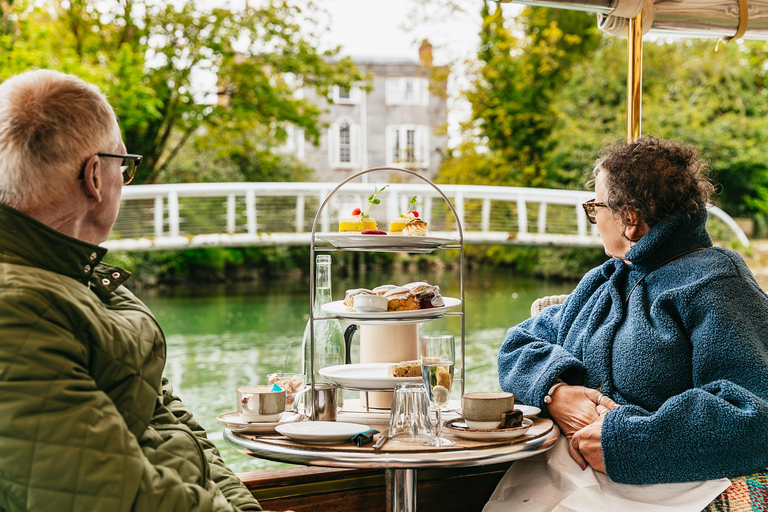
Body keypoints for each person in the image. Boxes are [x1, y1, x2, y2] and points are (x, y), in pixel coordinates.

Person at [0, 70, 289, 511]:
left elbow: (178, 428)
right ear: (95, 176)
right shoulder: (18, 313)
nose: (124, 181)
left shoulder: (85, 278)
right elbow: (120, 497)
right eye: (126, 167)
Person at [498, 136, 768, 485]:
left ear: (630, 218)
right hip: (567, 476)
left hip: (669, 487)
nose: (595, 218)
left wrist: (626, 442)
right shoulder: (603, 280)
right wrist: (555, 392)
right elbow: (517, 344)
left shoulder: (717, 284)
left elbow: (755, 415)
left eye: (596, 208)